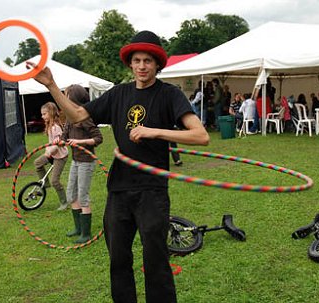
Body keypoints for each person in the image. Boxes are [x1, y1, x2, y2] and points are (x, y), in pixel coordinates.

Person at [27, 30, 209, 303]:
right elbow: (78, 115)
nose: (142, 66)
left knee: (156, 258)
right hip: (120, 189)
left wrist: (154, 132)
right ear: (130, 63)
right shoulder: (119, 94)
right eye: (137, 60)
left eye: (148, 60)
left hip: (152, 189)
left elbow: (200, 135)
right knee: (118, 258)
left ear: (157, 63)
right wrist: (52, 85)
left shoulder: (169, 95)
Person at [60, 84, 103, 244]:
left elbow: (98, 138)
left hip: (86, 161)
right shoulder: (70, 118)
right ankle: (78, 228)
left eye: (68, 98)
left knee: (82, 195)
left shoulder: (85, 118)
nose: (66, 101)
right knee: (71, 194)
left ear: (76, 100)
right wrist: (60, 141)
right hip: (76, 161)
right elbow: (64, 136)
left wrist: (80, 141)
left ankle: (86, 233)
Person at [34, 102, 69, 211]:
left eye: (44, 114)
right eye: (42, 114)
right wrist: (47, 150)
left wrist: (49, 152)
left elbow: (57, 145)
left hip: (60, 156)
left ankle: (64, 202)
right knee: (38, 163)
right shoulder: (50, 126)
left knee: (55, 181)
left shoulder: (56, 128)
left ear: (51, 113)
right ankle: (45, 185)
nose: (42, 116)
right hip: (52, 154)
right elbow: (50, 142)